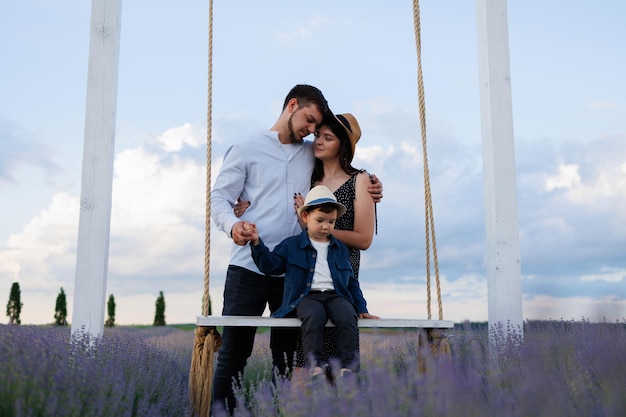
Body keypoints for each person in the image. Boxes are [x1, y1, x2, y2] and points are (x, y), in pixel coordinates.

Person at [210, 84, 382, 415]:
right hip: (248, 266)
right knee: (233, 352)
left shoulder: (311, 154)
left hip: (294, 274)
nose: (312, 131)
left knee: (289, 359)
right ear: (291, 106)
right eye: (309, 120)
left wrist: (372, 184)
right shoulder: (246, 148)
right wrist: (232, 224)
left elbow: (341, 173)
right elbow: (219, 198)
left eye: (317, 127)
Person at [246, 185, 379, 378]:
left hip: (336, 295)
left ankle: (347, 365)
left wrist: (361, 307)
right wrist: (257, 243)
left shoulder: (339, 248)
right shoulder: (292, 245)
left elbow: (351, 282)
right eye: (320, 220)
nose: (326, 226)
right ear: (306, 217)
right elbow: (271, 266)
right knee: (313, 316)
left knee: (347, 315)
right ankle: (314, 363)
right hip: (307, 296)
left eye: (331, 222)